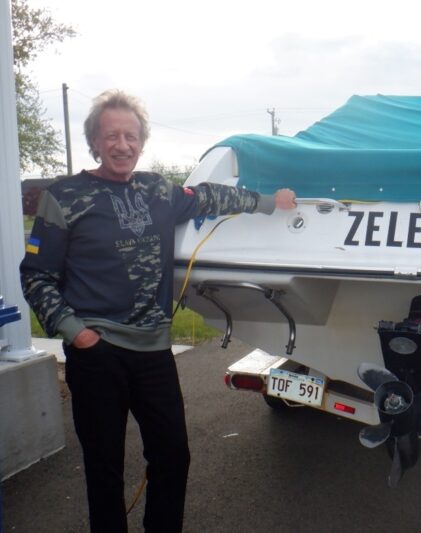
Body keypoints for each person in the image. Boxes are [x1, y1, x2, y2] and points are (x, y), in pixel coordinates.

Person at [19, 89, 296, 533]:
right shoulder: (65, 196)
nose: (122, 144)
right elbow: (36, 275)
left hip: (153, 352)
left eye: (130, 135)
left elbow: (210, 197)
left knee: (172, 455)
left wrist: (269, 203)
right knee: (104, 465)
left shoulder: (156, 191)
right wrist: (75, 332)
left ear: (141, 141)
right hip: (96, 353)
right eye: (111, 135)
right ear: (94, 141)